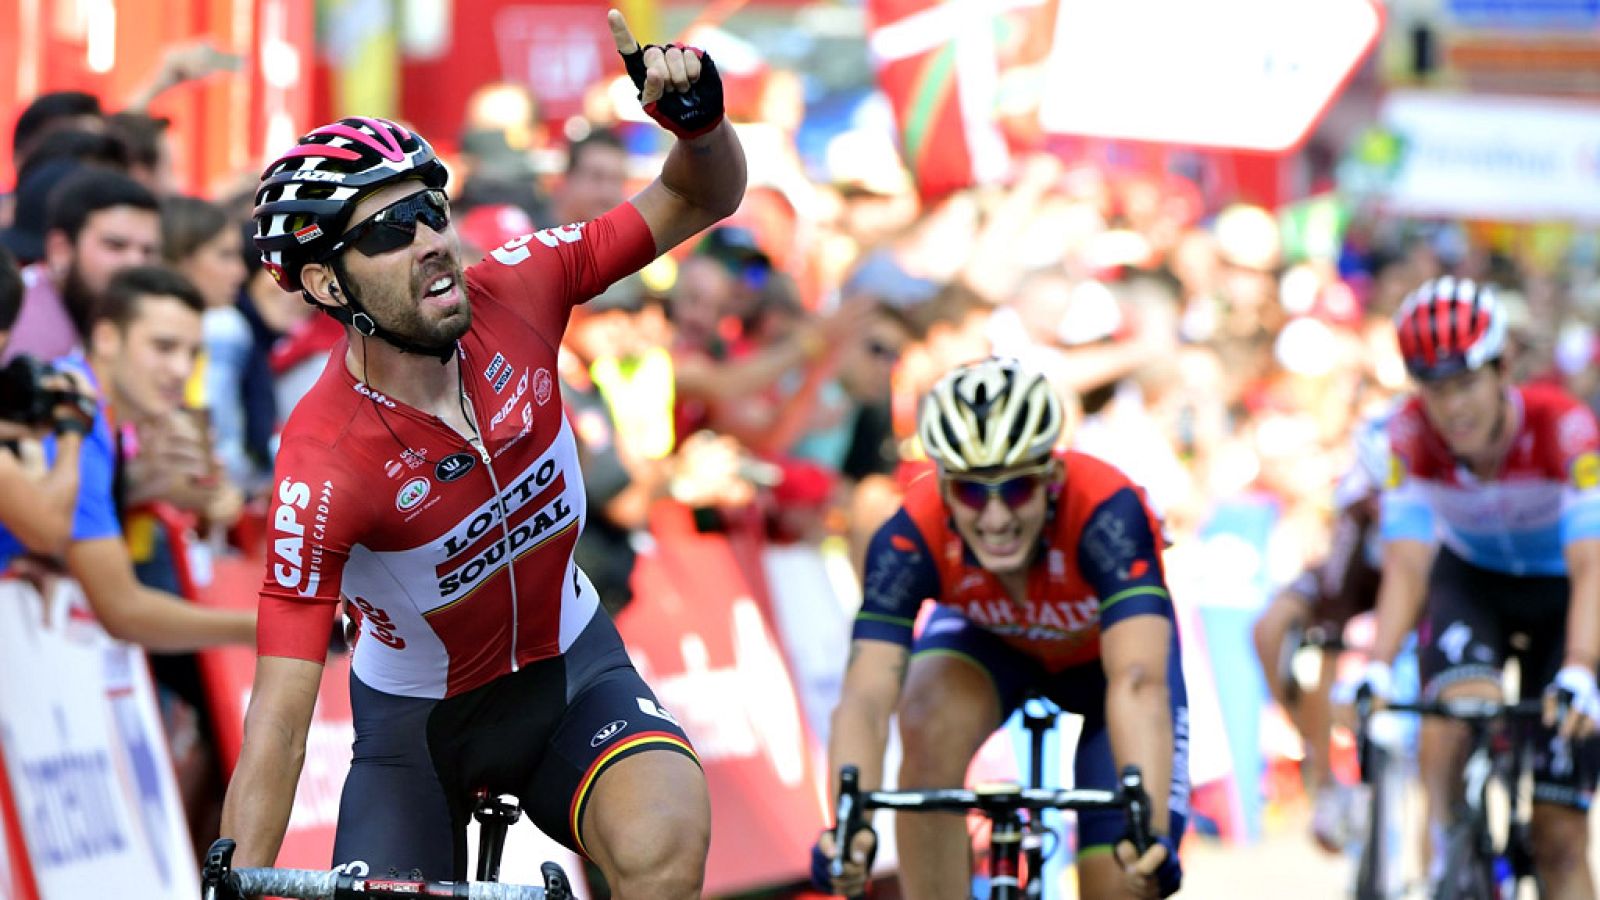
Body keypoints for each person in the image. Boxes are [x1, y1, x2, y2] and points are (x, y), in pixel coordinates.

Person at [216, 14, 742, 899]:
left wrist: (700, 131)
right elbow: (278, 716)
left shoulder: (522, 286)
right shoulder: (322, 462)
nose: (430, 239)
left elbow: (699, 198)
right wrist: (237, 878)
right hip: (416, 737)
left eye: (431, 209)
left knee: (664, 838)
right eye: (389, 231)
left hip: (573, 673)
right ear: (325, 283)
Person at [813, 356, 1188, 899]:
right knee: (925, 719)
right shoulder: (909, 533)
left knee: (1125, 876)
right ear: (943, 486)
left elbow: (1138, 682)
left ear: (1051, 477)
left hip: (1105, 672)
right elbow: (866, 698)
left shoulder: (1107, 510)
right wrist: (850, 828)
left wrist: (1146, 830)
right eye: (971, 491)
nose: (995, 517)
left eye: (1015, 489)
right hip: (990, 648)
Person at [1351, 277, 1600, 898]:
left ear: (1502, 369)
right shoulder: (1406, 435)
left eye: (1465, 384)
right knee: (1456, 712)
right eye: (1434, 390)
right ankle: (1449, 850)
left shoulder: (1564, 427)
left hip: (1566, 595)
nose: (1452, 408)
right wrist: (1377, 664)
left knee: (1559, 835)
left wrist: (1580, 667)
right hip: (1474, 584)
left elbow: (1592, 565)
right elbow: (1408, 565)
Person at [0, 264, 257, 649]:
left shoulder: (102, 419)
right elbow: (123, 611)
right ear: (106, 338)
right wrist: (265, 629)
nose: (182, 370)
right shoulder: (70, 417)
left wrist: (148, 491)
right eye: (163, 347)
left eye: (193, 353)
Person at [1252, 410, 1389, 852]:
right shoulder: (1355, 511)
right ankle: (1321, 769)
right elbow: (1333, 611)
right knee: (1273, 632)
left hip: (1408, 588)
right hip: (1352, 583)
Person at [3, 167, 162, 363]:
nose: (136, 263)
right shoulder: (19, 323)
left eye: (148, 251)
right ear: (60, 249)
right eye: (115, 245)